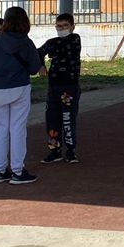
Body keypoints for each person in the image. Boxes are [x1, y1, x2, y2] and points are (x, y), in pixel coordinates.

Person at [0, 6, 43, 185]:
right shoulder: (26, 42)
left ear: (6, 21)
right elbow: (34, 68)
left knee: (0, 130)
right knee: (17, 129)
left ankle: (0, 171)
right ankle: (17, 171)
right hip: (20, 88)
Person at [39, 13, 82, 164]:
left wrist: (51, 50)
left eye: (65, 26)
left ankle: (71, 150)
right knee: (52, 119)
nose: (62, 29)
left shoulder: (75, 39)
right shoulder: (52, 42)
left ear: (72, 26)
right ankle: (54, 150)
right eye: (59, 26)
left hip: (69, 87)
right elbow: (39, 52)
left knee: (68, 119)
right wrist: (41, 66)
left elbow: (64, 47)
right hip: (54, 87)